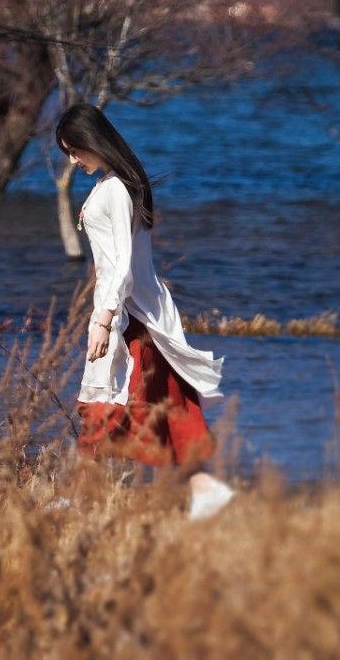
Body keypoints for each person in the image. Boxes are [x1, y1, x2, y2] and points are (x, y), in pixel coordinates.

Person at [57, 103, 236, 520]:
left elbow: (121, 264)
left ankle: (81, 497)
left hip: (128, 317)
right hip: (129, 312)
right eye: (67, 153)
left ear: (93, 140)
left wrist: (103, 319)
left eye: (74, 150)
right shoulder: (113, 183)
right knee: (161, 406)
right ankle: (204, 487)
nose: (72, 160)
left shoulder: (117, 188)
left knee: (107, 404)